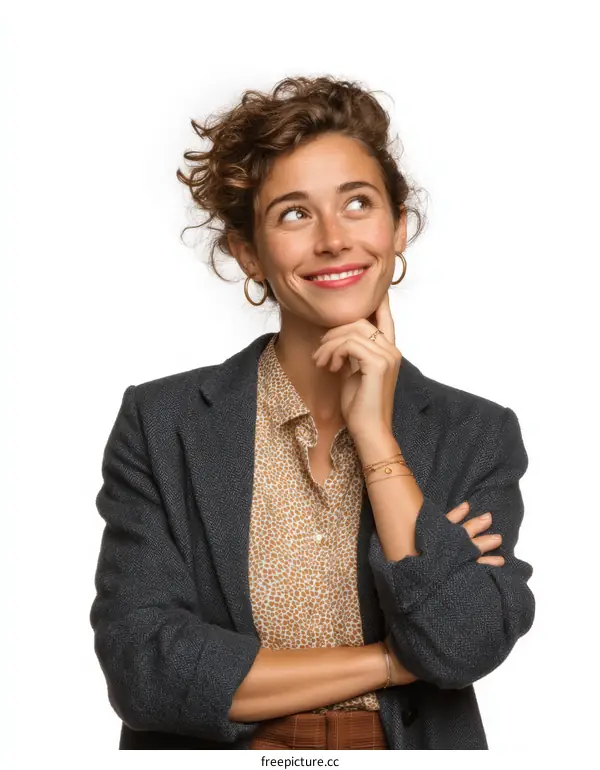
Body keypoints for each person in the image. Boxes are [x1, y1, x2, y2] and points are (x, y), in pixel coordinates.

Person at [89, 75, 535, 750]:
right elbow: (144, 670)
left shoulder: (474, 434)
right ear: (248, 252)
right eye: (294, 214)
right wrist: (391, 662)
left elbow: (460, 646)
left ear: (398, 227)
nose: (333, 239)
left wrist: (376, 438)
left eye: (357, 203)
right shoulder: (164, 423)